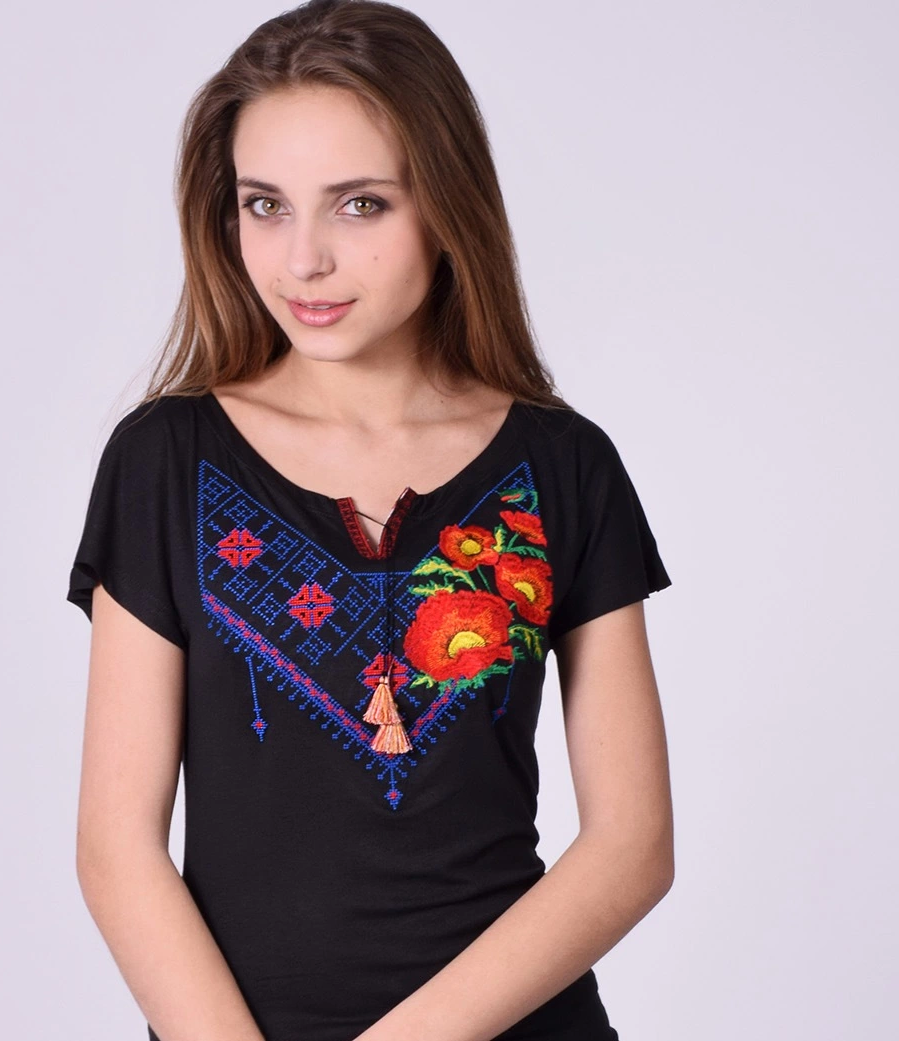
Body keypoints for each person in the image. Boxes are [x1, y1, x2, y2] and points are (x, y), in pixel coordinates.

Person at [66, 2, 675, 1040]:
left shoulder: (562, 467)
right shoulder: (164, 460)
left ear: (445, 203)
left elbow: (632, 847)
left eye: (358, 205)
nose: (302, 259)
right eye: (264, 205)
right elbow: (115, 849)